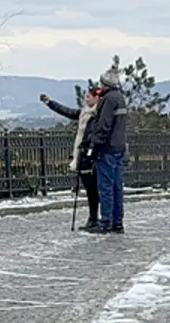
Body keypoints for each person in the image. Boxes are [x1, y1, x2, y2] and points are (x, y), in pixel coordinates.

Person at [41, 88, 102, 231]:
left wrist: (89, 148)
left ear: (96, 99)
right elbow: (68, 112)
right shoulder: (84, 113)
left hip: (90, 156)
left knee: (93, 189)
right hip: (82, 154)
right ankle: (93, 217)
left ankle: (95, 218)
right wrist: (50, 103)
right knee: (89, 189)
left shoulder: (97, 116)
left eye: (88, 97)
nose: (86, 99)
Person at [88, 67, 128, 234]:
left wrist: (93, 146)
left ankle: (106, 222)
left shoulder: (108, 100)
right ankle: (117, 222)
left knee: (105, 187)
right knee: (117, 187)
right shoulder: (120, 98)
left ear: (104, 84)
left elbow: (103, 126)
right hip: (119, 147)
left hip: (107, 149)